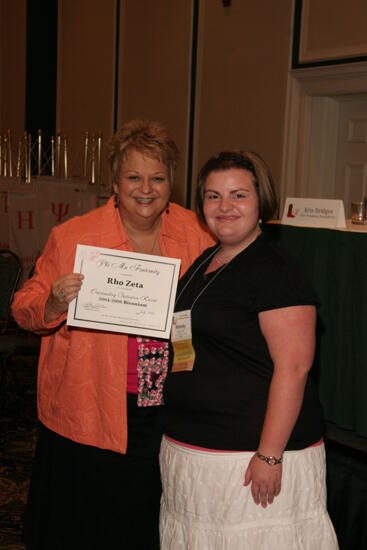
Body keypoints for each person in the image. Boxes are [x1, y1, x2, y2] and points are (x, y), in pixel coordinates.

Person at [11, 119, 214, 550]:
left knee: (146, 518)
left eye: (157, 177)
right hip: (88, 408)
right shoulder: (75, 236)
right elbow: (22, 307)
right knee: (87, 524)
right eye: (134, 177)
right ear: (115, 184)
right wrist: (51, 304)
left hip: (166, 401)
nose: (146, 188)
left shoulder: (196, 235)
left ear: (170, 183)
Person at [160, 151, 339, 549]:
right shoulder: (207, 261)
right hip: (196, 454)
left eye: (238, 195)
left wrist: (270, 455)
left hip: (246, 461)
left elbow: (293, 367)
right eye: (213, 196)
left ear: (261, 202)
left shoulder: (275, 271)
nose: (225, 207)